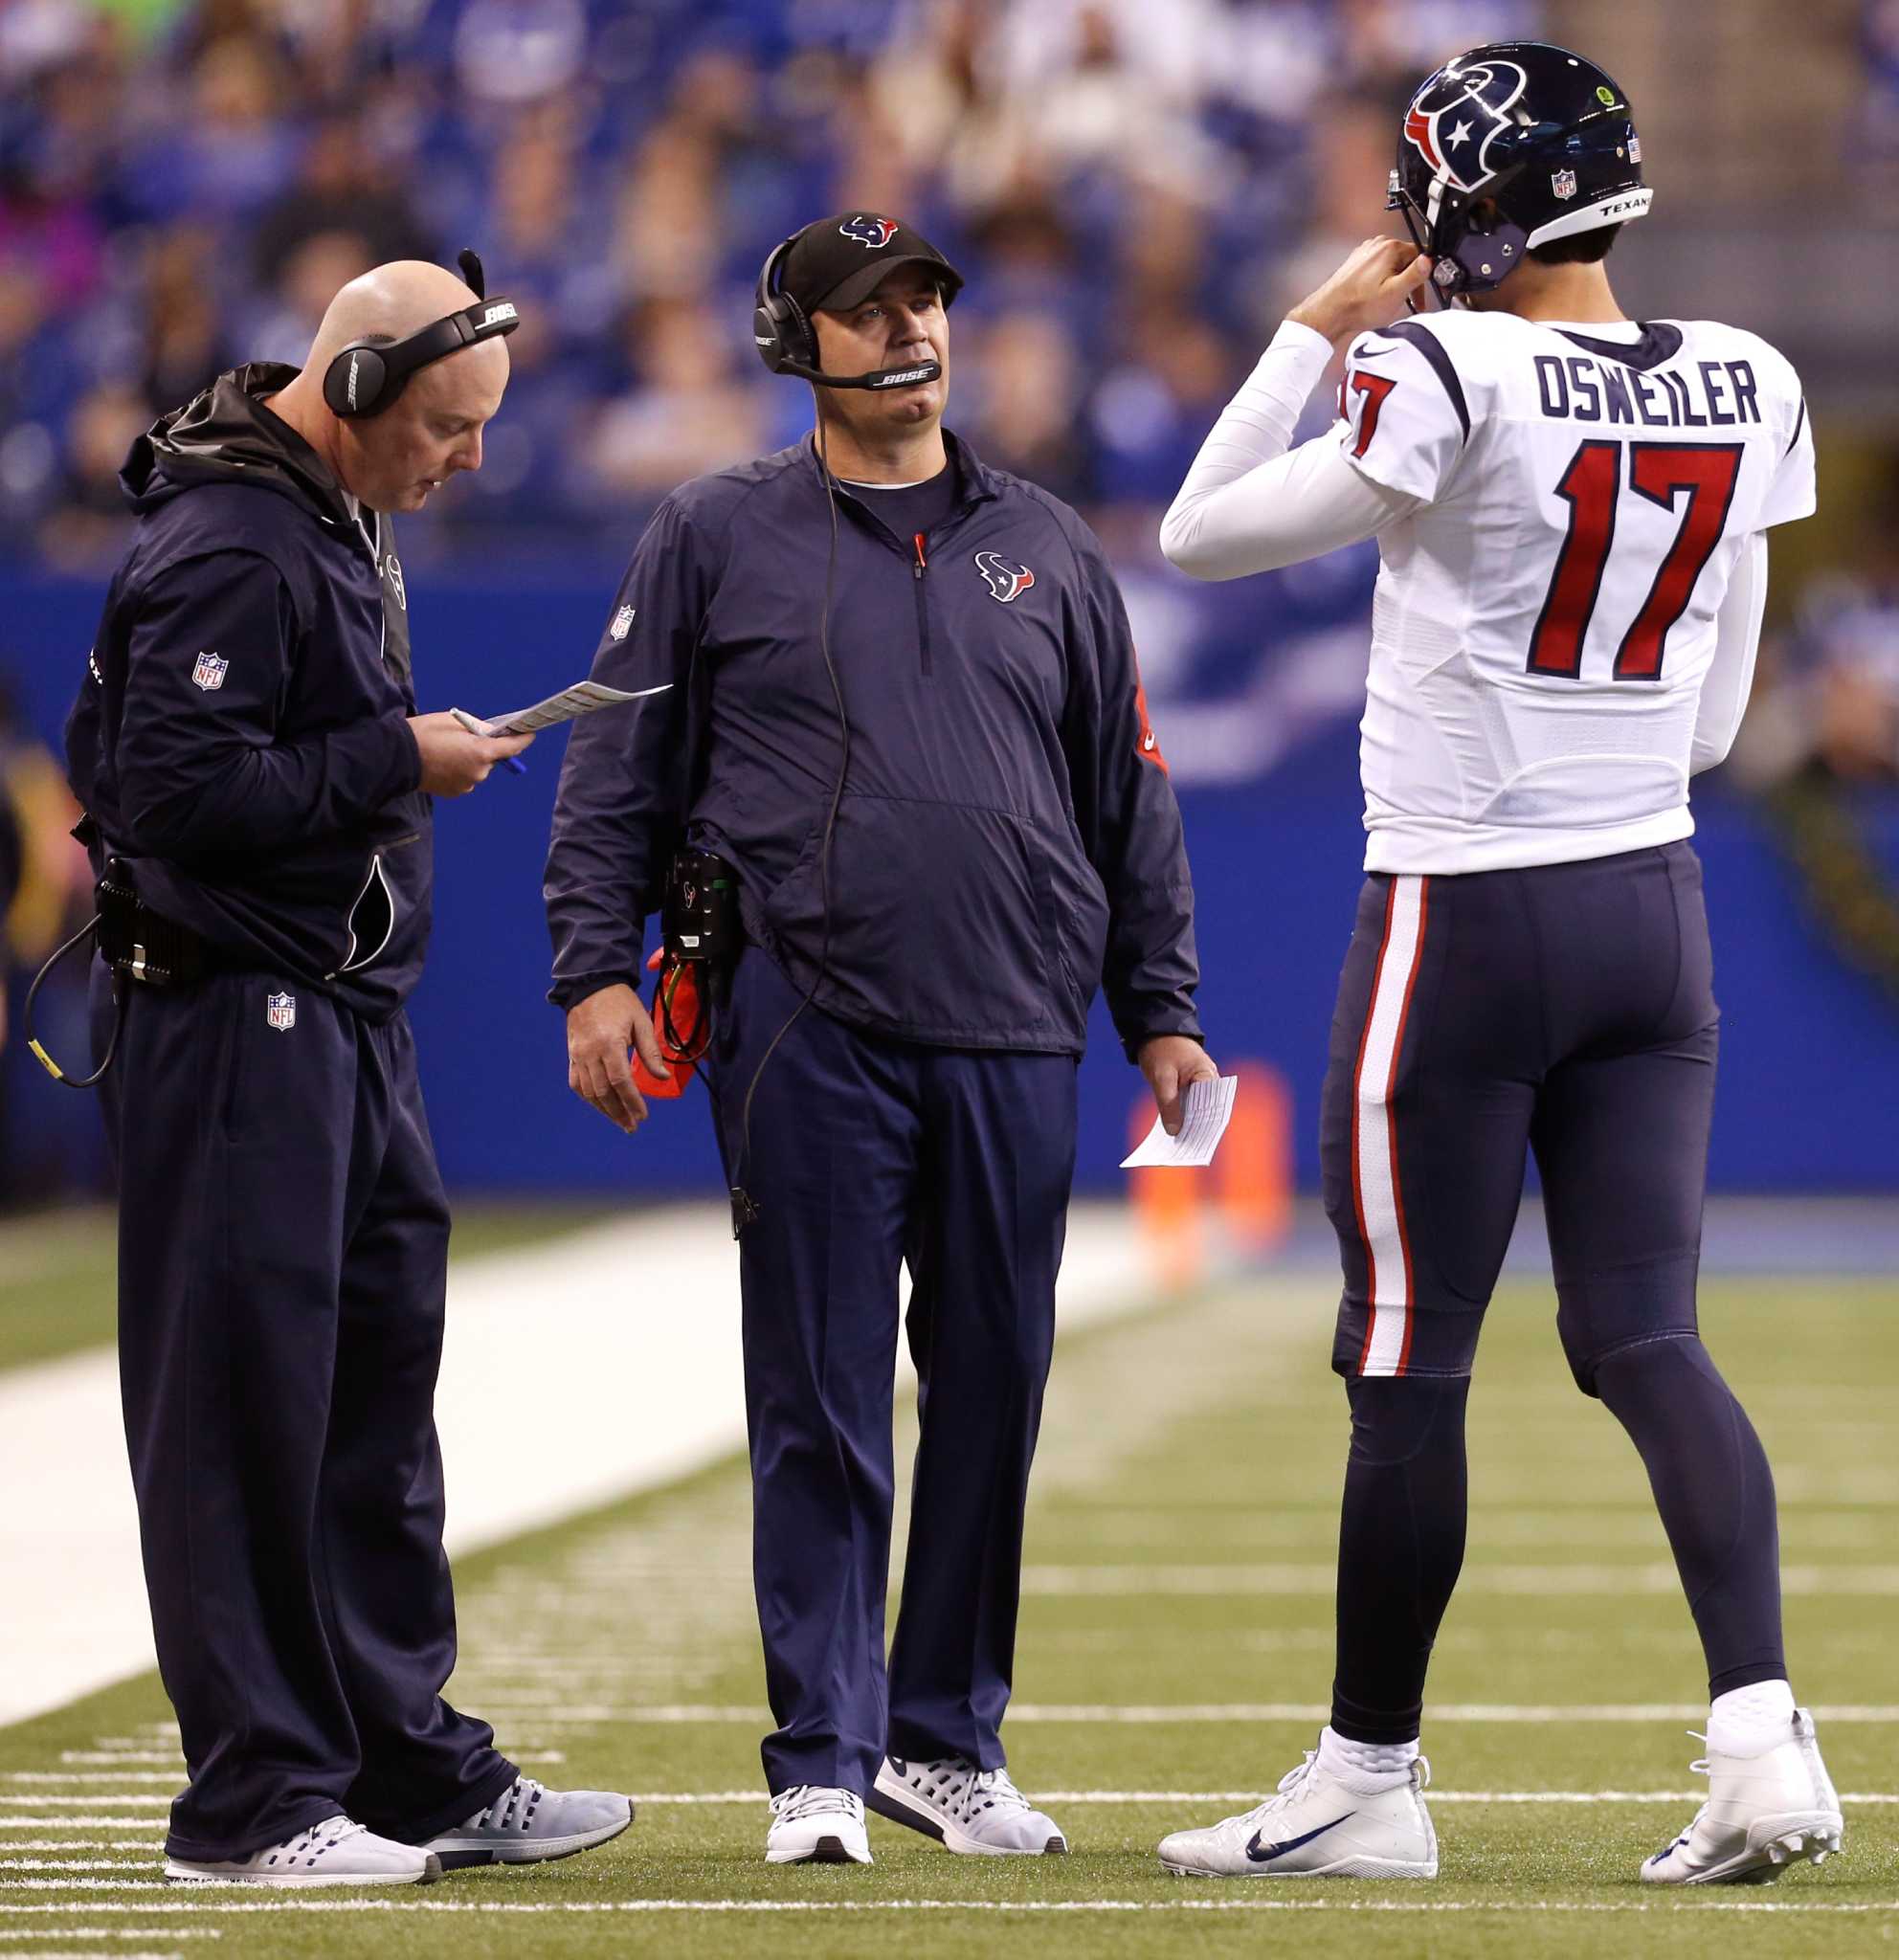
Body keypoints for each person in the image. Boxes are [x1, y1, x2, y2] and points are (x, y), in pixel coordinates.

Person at [1152, 45, 1842, 1886]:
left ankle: (1369, 1777)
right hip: (1654, 913)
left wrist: (1309, 332)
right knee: (1647, 1336)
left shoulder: (1440, 364)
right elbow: (1710, 726)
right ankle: (1763, 1741)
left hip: (1462, 918)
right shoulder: (1749, 376)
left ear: (1471, 200)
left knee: (1406, 1362)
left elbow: (1200, 531)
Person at [547, 212, 1215, 1866]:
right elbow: (613, 773)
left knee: (996, 1391)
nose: (909, 330)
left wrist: (1167, 1013)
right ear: (801, 343)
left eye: (925, 298)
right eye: (868, 309)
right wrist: (593, 974)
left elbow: (1126, 796)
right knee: (822, 1396)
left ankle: (943, 1743)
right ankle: (822, 1760)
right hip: (807, 1019)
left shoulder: (1052, 545)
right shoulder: (712, 532)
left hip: (1011, 1022)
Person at [62, 258, 633, 1886]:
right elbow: (166, 790)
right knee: (246, 1420)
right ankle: (250, 1806)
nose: (466, 462)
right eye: (448, 428)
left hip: (338, 1018)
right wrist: (401, 755)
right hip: (241, 1022)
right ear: (363, 389)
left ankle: (400, 1767)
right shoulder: (233, 538)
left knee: (371, 1419)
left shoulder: (323, 513)